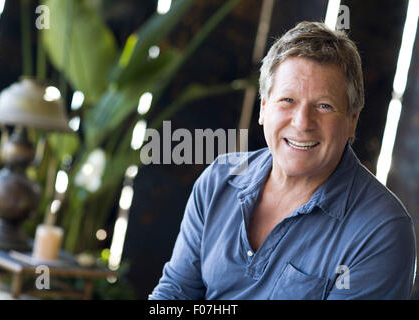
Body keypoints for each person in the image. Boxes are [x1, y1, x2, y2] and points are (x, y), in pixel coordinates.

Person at [149, 21, 416, 300]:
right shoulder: (219, 180)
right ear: (264, 108)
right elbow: (174, 295)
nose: (302, 123)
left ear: (352, 120)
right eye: (288, 100)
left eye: (324, 105)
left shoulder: (381, 232)